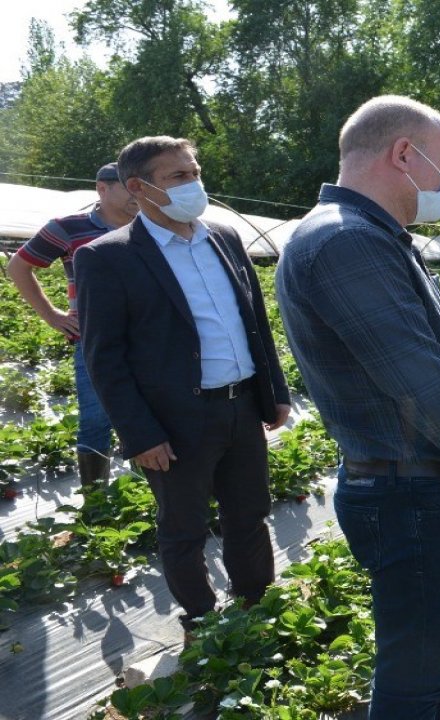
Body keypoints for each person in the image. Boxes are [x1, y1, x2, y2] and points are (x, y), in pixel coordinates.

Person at [275, 95, 440, 719]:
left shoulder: (378, 238)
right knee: (412, 683)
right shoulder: (345, 243)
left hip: (423, 487)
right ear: (404, 154)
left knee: (434, 660)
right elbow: (418, 379)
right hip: (411, 496)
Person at [75, 137, 292, 634]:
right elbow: (103, 358)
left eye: (195, 172)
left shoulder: (223, 237)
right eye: (178, 177)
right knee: (184, 528)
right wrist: (140, 435)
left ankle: (255, 609)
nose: (194, 184)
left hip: (240, 407)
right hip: (173, 422)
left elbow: (254, 320)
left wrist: (273, 391)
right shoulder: (107, 258)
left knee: (250, 516)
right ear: (139, 188)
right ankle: (201, 619)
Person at [6, 163, 136, 485]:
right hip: (95, 340)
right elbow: (18, 267)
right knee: (96, 419)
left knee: (146, 416)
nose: (138, 193)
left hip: (149, 339)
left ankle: (149, 502)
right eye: (128, 185)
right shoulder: (69, 228)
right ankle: (97, 510)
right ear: (102, 189)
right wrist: (53, 316)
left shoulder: (151, 225)